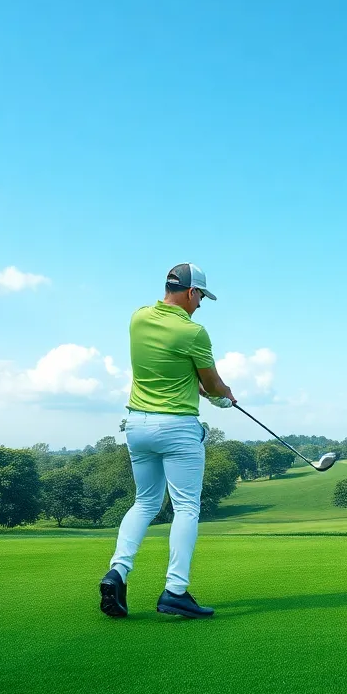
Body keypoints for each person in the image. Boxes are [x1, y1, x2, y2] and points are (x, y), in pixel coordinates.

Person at [99, 263, 235, 619]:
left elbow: (180, 373)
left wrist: (206, 390)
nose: (201, 304)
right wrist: (225, 396)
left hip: (137, 425)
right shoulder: (194, 332)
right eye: (201, 296)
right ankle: (175, 590)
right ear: (190, 292)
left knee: (144, 503)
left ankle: (118, 572)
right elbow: (212, 382)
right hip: (176, 428)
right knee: (187, 506)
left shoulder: (138, 318)